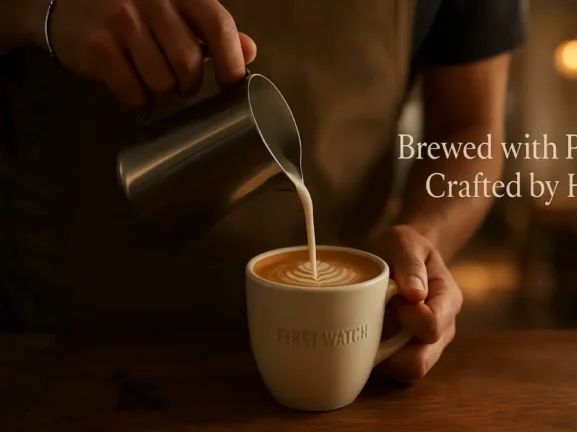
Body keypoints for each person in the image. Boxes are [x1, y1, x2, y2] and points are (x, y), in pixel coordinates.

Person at [0, 0, 526, 383]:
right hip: (55, 340)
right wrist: (40, 11)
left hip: (337, 355)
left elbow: (469, 127)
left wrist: (425, 236)